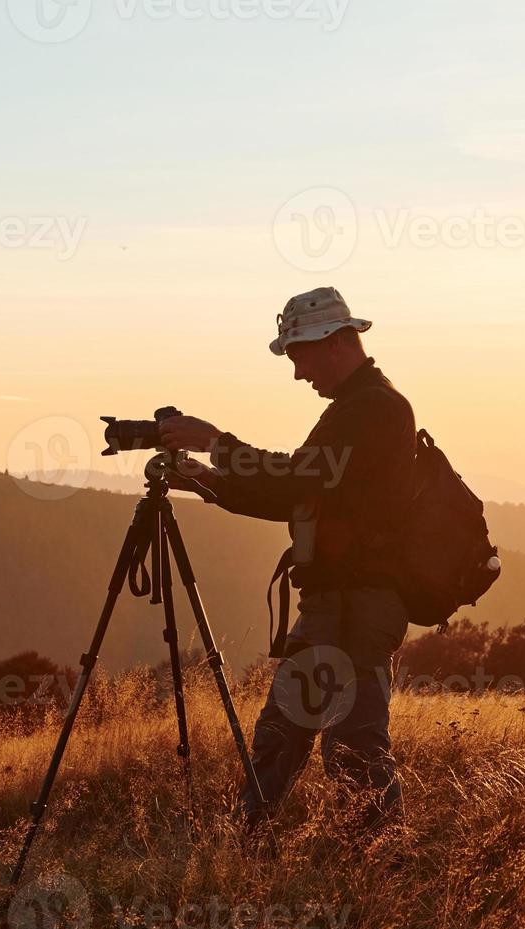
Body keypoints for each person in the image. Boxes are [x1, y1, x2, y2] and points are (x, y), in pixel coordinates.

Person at [156, 286, 415, 836]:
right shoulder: (355, 408)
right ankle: (249, 844)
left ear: (338, 343)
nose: (298, 373)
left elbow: (297, 475)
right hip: (335, 606)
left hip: (358, 607)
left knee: (354, 747)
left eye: (299, 355)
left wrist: (215, 442)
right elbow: (294, 496)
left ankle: (377, 868)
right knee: (283, 731)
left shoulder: (374, 409)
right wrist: (208, 481)